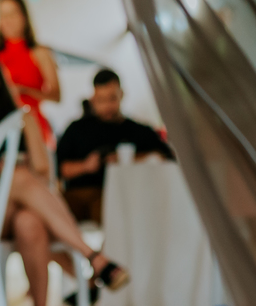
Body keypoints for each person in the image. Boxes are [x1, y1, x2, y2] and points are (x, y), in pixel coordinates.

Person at [0, 48, 128, 306]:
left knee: (29, 221)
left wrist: (14, 173)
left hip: (18, 212)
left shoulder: (21, 121)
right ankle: (93, 257)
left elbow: (43, 171)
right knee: (17, 175)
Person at [57, 69, 175, 223]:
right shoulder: (76, 129)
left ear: (122, 95)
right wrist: (86, 166)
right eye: (101, 100)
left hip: (121, 194)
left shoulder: (139, 131)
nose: (107, 106)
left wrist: (131, 159)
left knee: (113, 207)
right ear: (93, 98)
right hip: (80, 194)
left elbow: (165, 156)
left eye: (112, 99)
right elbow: (60, 168)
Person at [0, 0, 58, 145]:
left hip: (34, 124)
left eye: (12, 14)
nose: (7, 20)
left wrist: (24, 90)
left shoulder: (39, 52)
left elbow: (56, 95)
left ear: (24, 17)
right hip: (2, 125)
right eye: (2, 15)